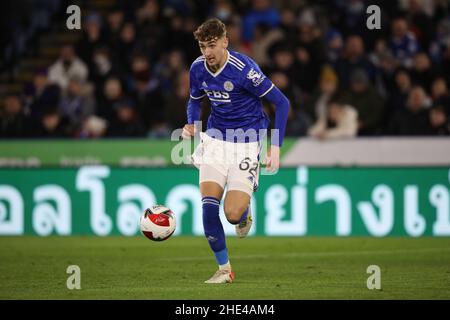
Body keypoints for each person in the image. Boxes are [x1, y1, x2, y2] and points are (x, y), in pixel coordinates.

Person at [182, 18, 289, 284]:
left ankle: (244, 211)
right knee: (208, 206)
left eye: (211, 45)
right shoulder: (197, 69)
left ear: (224, 42)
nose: (207, 52)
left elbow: (282, 103)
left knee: (232, 215)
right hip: (216, 140)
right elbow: (194, 101)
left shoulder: (244, 69)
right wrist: (193, 125)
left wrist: (275, 146)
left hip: (247, 141)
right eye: (202, 46)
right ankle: (224, 269)